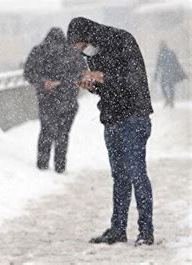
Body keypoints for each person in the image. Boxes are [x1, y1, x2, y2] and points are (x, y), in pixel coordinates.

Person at [67, 17, 154, 246]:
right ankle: (118, 229)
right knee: (120, 177)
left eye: (82, 46)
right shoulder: (94, 54)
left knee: (137, 174)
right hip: (112, 119)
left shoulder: (123, 40)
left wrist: (102, 77)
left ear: (89, 35)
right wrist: (93, 86)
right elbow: (110, 89)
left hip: (134, 117)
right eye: (80, 50)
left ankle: (146, 231)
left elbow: (133, 80)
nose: (84, 52)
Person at [23, 28, 86, 173]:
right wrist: (64, 82)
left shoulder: (39, 51)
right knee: (62, 134)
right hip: (68, 99)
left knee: (46, 131)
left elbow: (28, 73)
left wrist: (43, 82)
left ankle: (42, 165)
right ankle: (60, 167)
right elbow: (82, 74)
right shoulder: (73, 53)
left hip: (47, 98)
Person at [154, 41, 187, 108]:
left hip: (165, 73)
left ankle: (167, 100)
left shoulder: (161, 53)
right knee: (171, 87)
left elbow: (158, 66)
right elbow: (177, 63)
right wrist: (181, 72)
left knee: (163, 86)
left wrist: (156, 75)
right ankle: (171, 101)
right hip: (172, 72)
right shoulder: (171, 52)